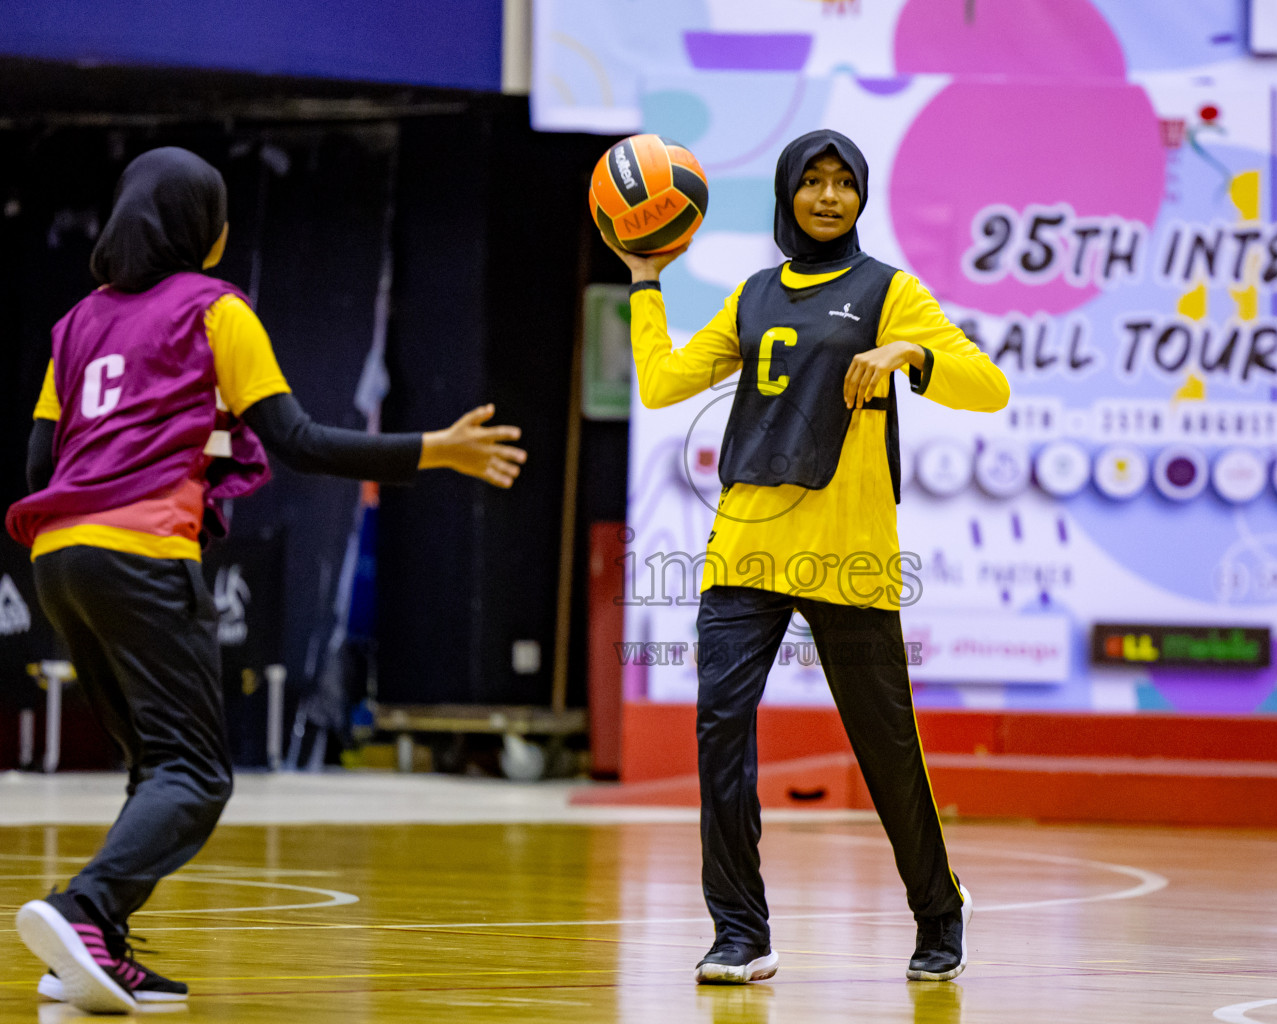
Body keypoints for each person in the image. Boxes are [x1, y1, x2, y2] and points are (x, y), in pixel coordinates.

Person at [7, 147, 526, 1014]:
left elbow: (38, 459)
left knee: (154, 765)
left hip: (57, 556)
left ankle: (94, 955)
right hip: (142, 552)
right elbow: (299, 442)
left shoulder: (76, 323)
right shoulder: (216, 310)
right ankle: (84, 910)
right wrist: (434, 450)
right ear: (200, 231)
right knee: (199, 774)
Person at [606, 129, 1010, 984]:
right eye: (812, 182)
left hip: (847, 554)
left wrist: (912, 352)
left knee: (886, 746)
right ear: (787, 192)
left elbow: (989, 385)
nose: (828, 197)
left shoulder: (889, 291)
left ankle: (940, 911)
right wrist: (644, 283)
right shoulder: (752, 296)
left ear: (862, 195)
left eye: (843, 183)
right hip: (745, 548)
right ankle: (740, 932)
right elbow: (663, 383)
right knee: (720, 733)